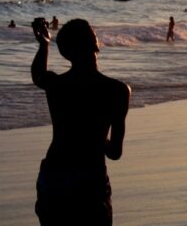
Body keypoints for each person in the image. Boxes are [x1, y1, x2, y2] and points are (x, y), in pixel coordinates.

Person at [29, 18, 130, 225]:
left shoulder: (57, 85)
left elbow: (38, 75)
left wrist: (44, 44)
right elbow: (115, 153)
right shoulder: (117, 91)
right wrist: (94, 137)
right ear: (95, 42)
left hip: (55, 175)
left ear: (67, 52)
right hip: (90, 180)